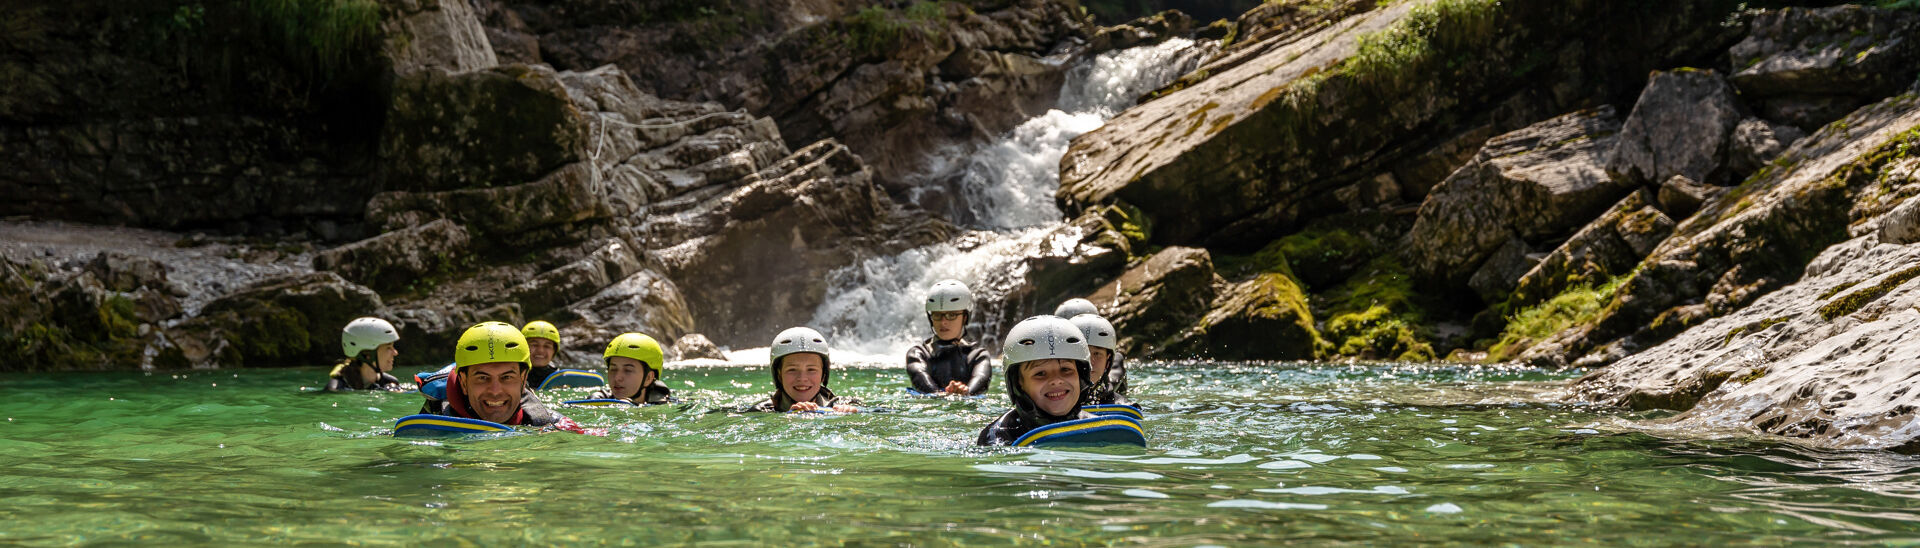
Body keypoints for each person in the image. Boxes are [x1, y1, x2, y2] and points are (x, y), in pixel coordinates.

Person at [419, 321, 586, 433]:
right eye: (482, 378)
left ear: (523, 380)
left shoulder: (551, 424)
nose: (495, 391)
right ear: (463, 382)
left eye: (506, 377)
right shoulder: (433, 421)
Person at [978, 315, 1097, 446]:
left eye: (1065, 369)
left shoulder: (1098, 426)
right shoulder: (998, 438)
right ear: (1018, 383)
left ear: (1081, 375)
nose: (1056, 380)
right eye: (1040, 374)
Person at [906, 279, 993, 396]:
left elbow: (981, 379)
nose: (943, 322)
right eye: (937, 315)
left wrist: (965, 392)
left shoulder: (978, 355)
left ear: (965, 317)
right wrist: (940, 395)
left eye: (951, 315)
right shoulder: (918, 353)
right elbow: (919, 376)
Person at [753, 327, 858, 413]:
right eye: (792, 370)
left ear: (823, 375)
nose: (802, 378)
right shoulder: (761, 411)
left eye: (811, 369)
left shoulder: (845, 405)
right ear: (779, 375)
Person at [589, 332, 675, 405]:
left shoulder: (668, 407)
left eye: (628, 370)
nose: (617, 378)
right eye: (613, 369)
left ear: (648, 378)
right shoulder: (598, 399)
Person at [327, 317, 404, 392]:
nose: (395, 353)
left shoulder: (391, 383)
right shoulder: (336, 389)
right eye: (388, 347)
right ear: (368, 355)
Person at [1069, 313, 1130, 406]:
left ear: (1107, 361)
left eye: (1097, 354)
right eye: (1082, 353)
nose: (1090, 362)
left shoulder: (1124, 407)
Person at [522, 320, 564, 388]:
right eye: (534, 345)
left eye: (547, 346)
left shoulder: (560, 380)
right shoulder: (512, 375)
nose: (540, 350)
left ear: (554, 351)